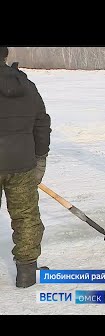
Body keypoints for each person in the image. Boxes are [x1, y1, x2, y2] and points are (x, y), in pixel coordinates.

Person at [0, 47, 51, 288]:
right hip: (21, 162)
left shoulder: (26, 83)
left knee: (26, 216)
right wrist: (40, 157)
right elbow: (42, 122)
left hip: (22, 162)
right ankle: (27, 273)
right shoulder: (26, 84)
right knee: (26, 217)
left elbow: (41, 121)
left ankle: (28, 272)